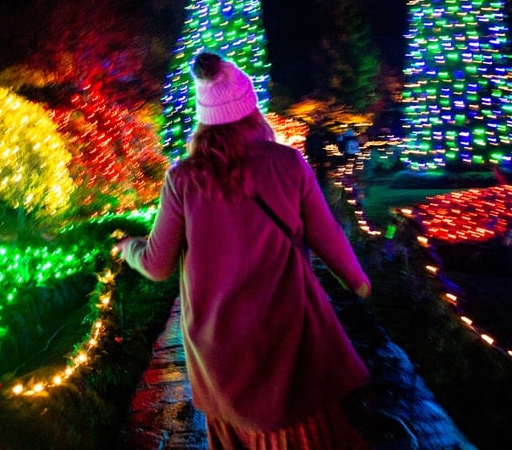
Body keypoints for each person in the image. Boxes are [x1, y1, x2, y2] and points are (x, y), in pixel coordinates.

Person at [115, 51, 373, 449]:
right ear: (251, 110)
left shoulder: (183, 179)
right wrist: (356, 280)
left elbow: (157, 264)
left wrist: (127, 247)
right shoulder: (288, 163)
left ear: (205, 120)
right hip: (290, 333)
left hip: (221, 350)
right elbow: (326, 234)